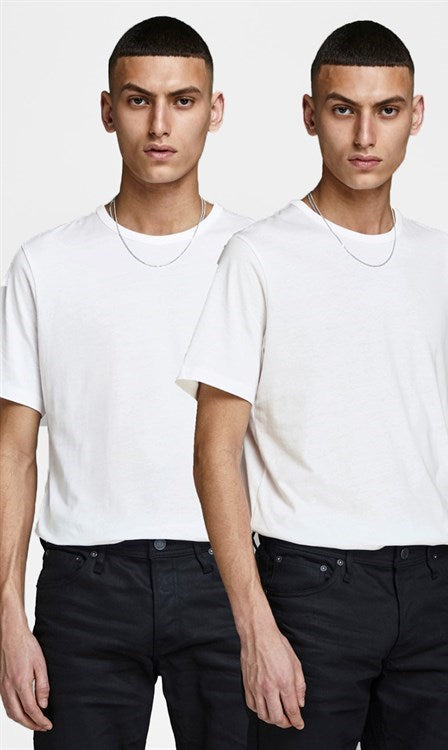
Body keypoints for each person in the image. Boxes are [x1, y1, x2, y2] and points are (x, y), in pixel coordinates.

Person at [175, 19, 448, 749]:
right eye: (343, 109)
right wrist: (254, 627)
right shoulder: (259, 257)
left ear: (416, 115)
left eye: (387, 110)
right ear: (310, 114)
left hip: (430, 592)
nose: (365, 135)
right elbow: (213, 451)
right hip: (308, 592)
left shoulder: (444, 262)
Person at [0, 16, 253, 749]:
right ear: (108, 110)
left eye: (183, 100)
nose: (160, 125)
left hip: (231, 578)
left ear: (215, 109)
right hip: (86, 587)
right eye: (139, 100)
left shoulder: (259, 257)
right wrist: (8, 613)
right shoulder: (46, 265)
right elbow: (13, 452)